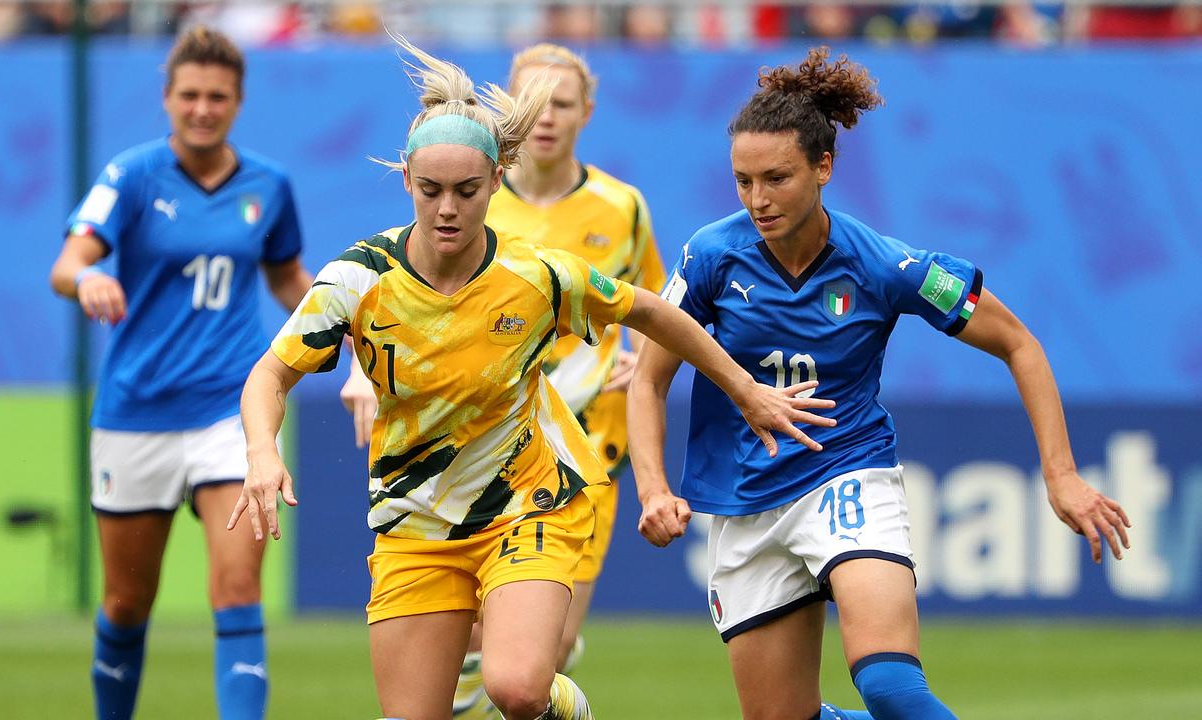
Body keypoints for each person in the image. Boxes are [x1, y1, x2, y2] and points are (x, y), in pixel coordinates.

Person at [228, 36, 833, 720]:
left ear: (495, 180)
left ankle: (561, 707)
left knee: (515, 687)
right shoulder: (357, 278)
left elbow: (657, 311)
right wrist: (260, 450)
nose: (448, 209)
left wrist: (744, 389)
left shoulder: (539, 276)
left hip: (527, 506)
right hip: (413, 524)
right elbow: (269, 376)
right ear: (406, 181)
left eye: (465, 190)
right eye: (430, 191)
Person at [628, 47, 1132, 720]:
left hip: (846, 475)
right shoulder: (711, 256)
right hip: (744, 502)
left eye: (776, 178)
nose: (757, 199)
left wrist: (1061, 474)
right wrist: (655, 489)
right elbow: (648, 379)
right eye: (743, 181)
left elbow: (1020, 344)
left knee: (891, 688)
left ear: (825, 167)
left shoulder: (886, 264)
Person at [338, 42, 668, 718]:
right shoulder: (471, 198)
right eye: (532, 102)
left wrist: (642, 365)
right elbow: (382, 305)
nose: (546, 117)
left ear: (588, 112)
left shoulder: (622, 206)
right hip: (465, 452)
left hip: (576, 451)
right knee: (491, 660)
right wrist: (363, 375)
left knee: (535, 659)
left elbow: (653, 305)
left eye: (562, 103)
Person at [47, 26, 312, 720]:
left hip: (230, 411)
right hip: (136, 413)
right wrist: (89, 282)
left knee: (236, 590)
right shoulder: (132, 175)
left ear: (238, 101)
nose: (202, 108)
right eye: (189, 95)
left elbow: (287, 278)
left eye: (217, 96)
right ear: (166, 99)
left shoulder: (268, 186)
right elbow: (67, 265)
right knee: (127, 603)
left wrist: (340, 320)